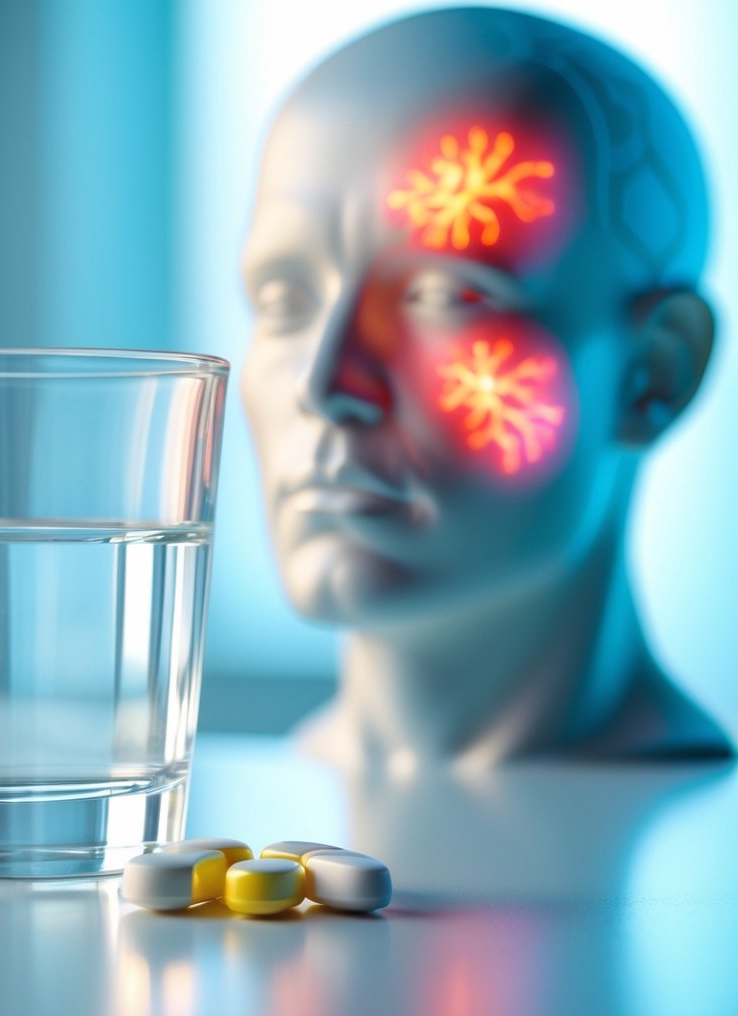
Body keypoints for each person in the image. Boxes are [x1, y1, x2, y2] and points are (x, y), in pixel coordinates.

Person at [240, 6, 732, 770]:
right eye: (283, 298)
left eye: (445, 295)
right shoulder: (256, 807)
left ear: (653, 373)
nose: (326, 383)